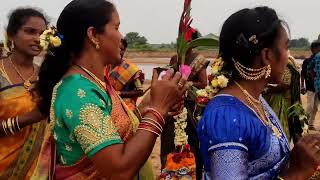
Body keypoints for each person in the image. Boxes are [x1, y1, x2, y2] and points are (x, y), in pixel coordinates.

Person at [34, 0, 188, 179]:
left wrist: (150, 105)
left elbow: (115, 131)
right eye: (116, 27)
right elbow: (119, 170)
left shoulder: (94, 81)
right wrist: (157, 111)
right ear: (93, 35)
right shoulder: (77, 92)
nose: (121, 37)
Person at [197, 6, 320, 179]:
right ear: (267, 55)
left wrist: (298, 157)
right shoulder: (226, 118)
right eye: (286, 48)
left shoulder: (255, 99)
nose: (289, 56)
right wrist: (297, 172)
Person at [0, 8, 48, 179]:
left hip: (37, 171)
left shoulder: (46, 75)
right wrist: (28, 118)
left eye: (42, 34)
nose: (38, 39)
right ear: (11, 35)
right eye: (30, 32)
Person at [160, 29, 209, 179]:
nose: (180, 41)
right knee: (169, 141)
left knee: (192, 142)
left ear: (192, 42)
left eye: (184, 39)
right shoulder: (175, 58)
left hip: (190, 108)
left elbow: (204, 83)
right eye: (179, 38)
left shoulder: (198, 59)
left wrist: (186, 84)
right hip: (174, 104)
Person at [263, 55, 303, 143]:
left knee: (280, 126)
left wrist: (266, 89)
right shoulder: (285, 63)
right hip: (282, 101)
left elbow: (284, 85)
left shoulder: (285, 66)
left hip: (281, 102)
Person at [108, 38, 145, 111]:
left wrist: (119, 93)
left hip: (126, 107)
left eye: (122, 49)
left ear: (124, 51)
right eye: (117, 48)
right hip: (107, 103)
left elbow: (140, 91)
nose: (119, 51)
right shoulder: (104, 66)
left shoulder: (131, 69)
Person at [301, 41, 320, 130]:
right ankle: (304, 125)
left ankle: (311, 124)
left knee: (315, 107)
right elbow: (303, 74)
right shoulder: (307, 61)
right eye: (317, 48)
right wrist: (302, 85)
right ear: (312, 49)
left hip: (318, 87)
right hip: (310, 87)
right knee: (310, 106)